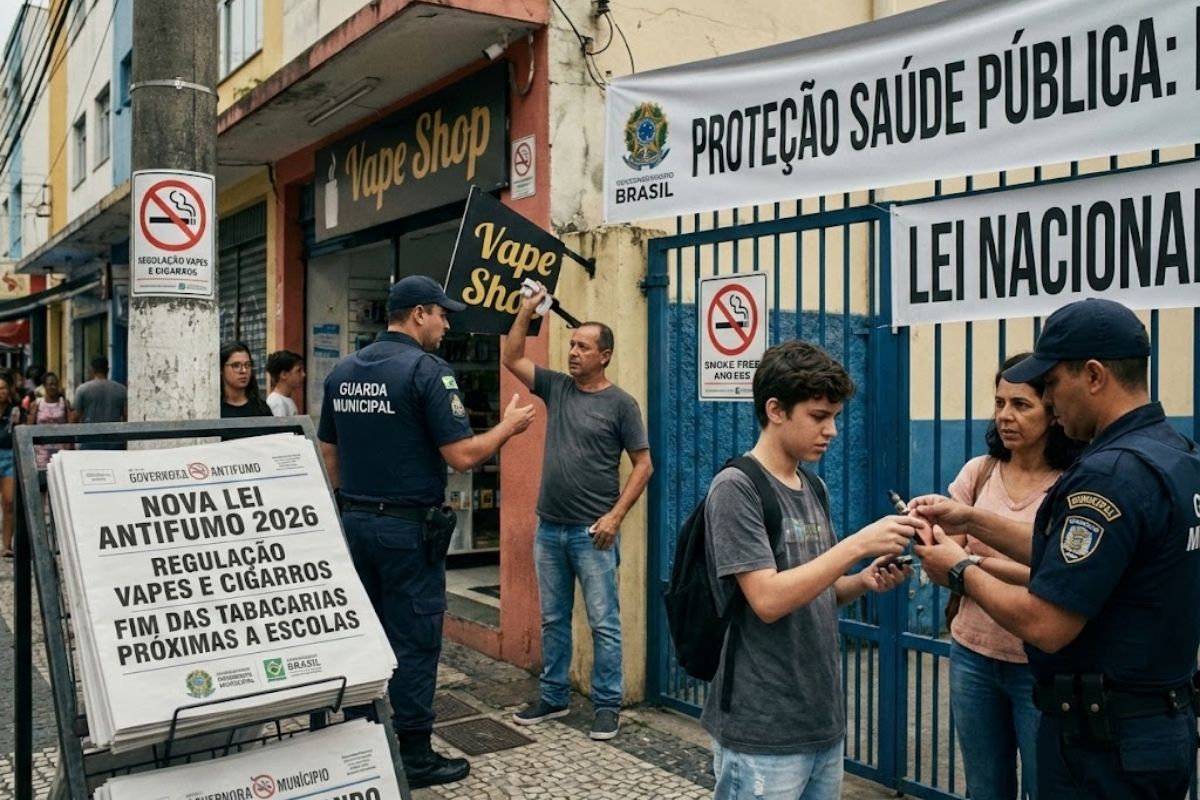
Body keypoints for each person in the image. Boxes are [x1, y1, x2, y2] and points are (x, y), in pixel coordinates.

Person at [913, 298, 1200, 799]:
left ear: (1093, 375)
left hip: (1105, 743)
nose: (1048, 399)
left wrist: (959, 570)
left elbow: (1048, 624)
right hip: (1155, 725)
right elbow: (1079, 559)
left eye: (1050, 384)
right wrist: (972, 518)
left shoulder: (1109, 476)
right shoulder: (1175, 455)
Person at [317, 274, 534, 789]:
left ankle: (362, 740)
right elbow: (461, 456)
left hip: (354, 524)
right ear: (418, 314)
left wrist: (352, 505)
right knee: (414, 642)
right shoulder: (428, 371)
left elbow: (328, 451)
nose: (446, 325)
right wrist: (508, 428)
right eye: (441, 314)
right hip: (407, 532)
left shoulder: (343, 371)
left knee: (365, 635)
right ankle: (414, 753)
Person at [701, 340, 917, 800]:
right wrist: (857, 544)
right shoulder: (736, 488)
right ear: (775, 410)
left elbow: (819, 589)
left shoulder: (812, 486)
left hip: (820, 721)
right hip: (762, 729)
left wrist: (863, 580)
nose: (831, 430)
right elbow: (767, 599)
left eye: (835, 416)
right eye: (819, 416)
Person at [503, 283, 653, 740]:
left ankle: (607, 705)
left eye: (583, 347)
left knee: (604, 623)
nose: (572, 353)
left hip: (593, 534)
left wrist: (615, 517)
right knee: (553, 618)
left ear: (604, 356)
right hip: (549, 528)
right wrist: (527, 310)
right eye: (571, 345)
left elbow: (644, 465)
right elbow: (512, 357)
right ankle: (553, 697)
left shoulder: (621, 404)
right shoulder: (558, 388)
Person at [943, 352, 1084, 800]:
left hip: (1037, 666)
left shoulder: (1072, 483)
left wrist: (970, 564)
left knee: (1045, 787)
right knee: (985, 787)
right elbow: (941, 561)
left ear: (1052, 410)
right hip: (972, 654)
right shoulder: (980, 471)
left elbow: (1058, 574)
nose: (1005, 416)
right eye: (1000, 403)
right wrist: (963, 564)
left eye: (1021, 405)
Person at [70, 356, 128, 450]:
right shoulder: (121, 390)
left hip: (89, 440)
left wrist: (72, 442)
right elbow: (126, 417)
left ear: (92, 370)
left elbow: (75, 417)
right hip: (114, 442)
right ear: (108, 370)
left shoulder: (82, 389)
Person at [29, 371, 71, 469]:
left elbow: (70, 425)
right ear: (44, 386)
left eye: (56, 384)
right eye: (50, 384)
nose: (54, 387)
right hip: (41, 449)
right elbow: (30, 426)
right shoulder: (37, 404)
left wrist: (69, 446)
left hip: (60, 448)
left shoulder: (64, 403)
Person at [219, 341, 272, 418]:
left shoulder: (262, 409)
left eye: (248, 365)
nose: (244, 371)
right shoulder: (213, 410)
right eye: (236, 366)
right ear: (221, 369)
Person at [0, 377, 21, 558]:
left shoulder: (14, 410)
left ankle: (6, 545)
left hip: (9, 455)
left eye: (4, 388)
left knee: (8, 502)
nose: (2, 392)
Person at [265, 350, 305, 416]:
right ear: (284, 374)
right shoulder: (277, 402)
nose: (303, 374)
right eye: (298, 371)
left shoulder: (285, 399)